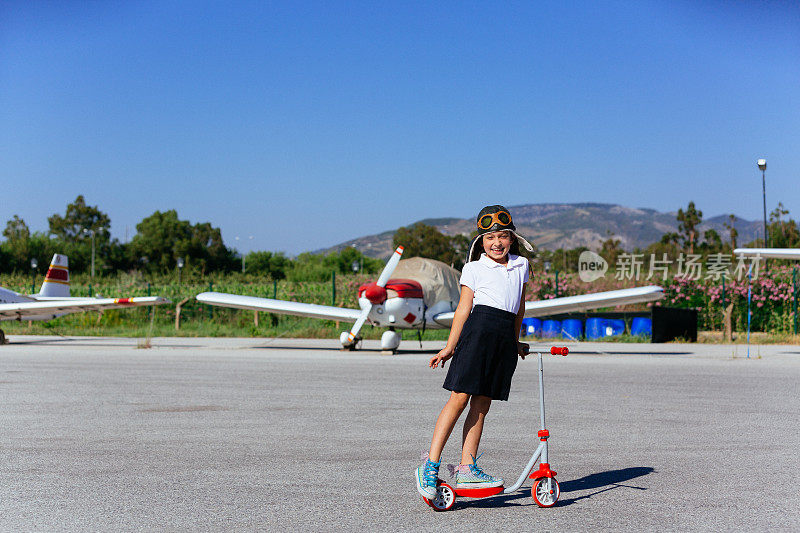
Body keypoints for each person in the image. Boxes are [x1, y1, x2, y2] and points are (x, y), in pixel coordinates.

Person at [415, 205, 534, 499]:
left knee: (482, 404)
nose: (497, 243)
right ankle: (430, 466)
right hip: (477, 334)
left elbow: (519, 307)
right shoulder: (474, 268)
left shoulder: (522, 266)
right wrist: (449, 346)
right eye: (490, 237)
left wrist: (515, 340)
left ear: (512, 238)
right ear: (481, 241)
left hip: (503, 339)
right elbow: (463, 309)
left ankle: (467, 468)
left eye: (503, 236)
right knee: (459, 399)